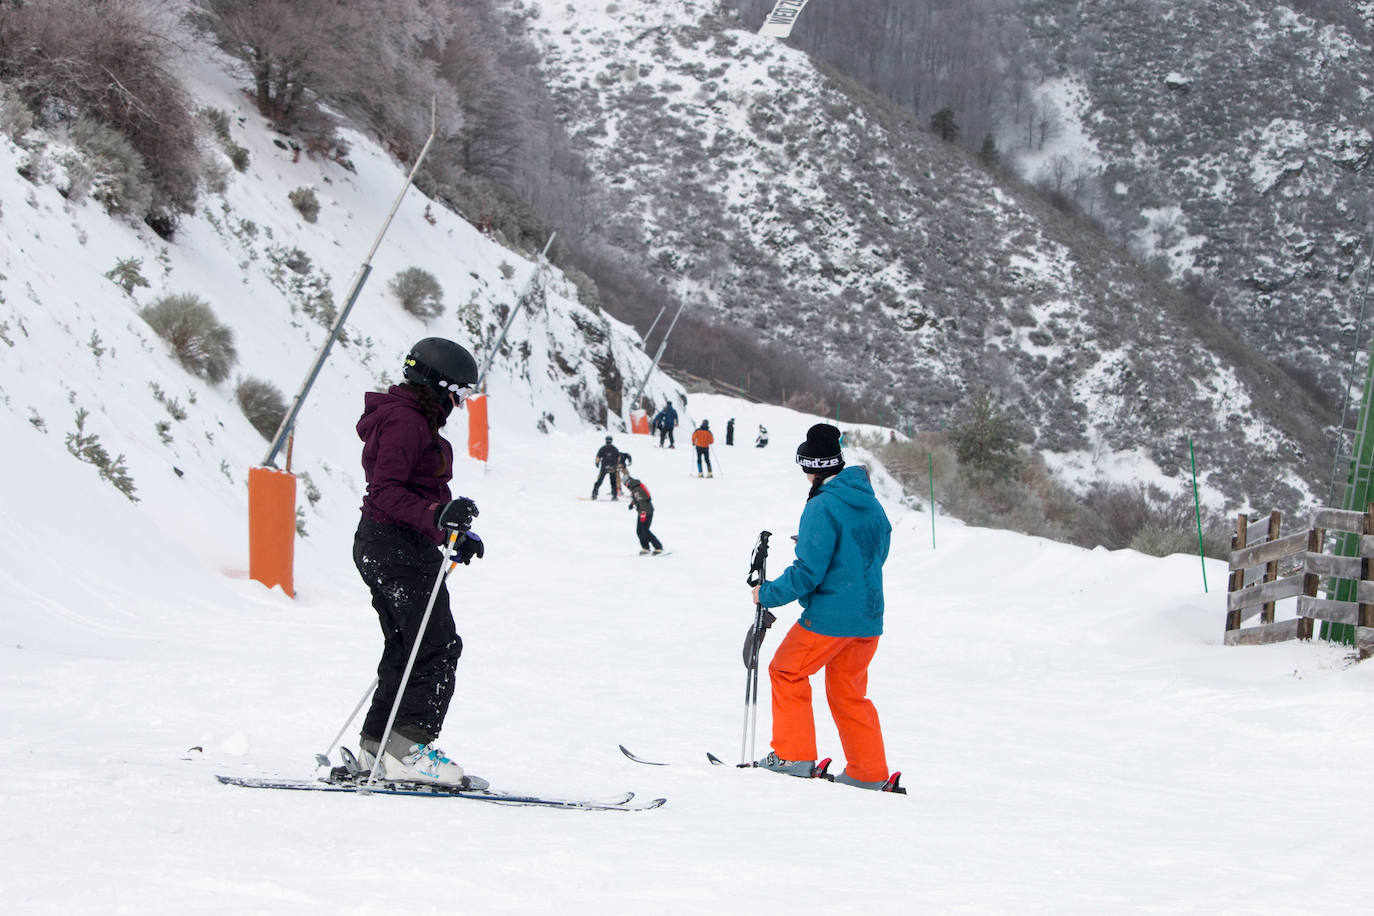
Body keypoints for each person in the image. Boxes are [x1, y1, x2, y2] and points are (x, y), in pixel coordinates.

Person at [353, 338, 487, 787]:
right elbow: (386, 491)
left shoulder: (413, 419)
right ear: (437, 383)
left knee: (406, 646)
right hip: (395, 547)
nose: (461, 401)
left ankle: (378, 746)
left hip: (392, 543)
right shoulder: (407, 422)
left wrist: (452, 531)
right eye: (460, 391)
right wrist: (435, 517)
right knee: (437, 645)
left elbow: (415, 493)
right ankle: (408, 748)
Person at [749, 423, 895, 791]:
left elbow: (808, 573)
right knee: (849, 692)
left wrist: (765, 593)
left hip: (830, 617)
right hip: (869, 616)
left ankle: (792, 755)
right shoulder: (867, 499)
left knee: (786, 671)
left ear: (811, 468)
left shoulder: (821, 506)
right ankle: (868, 772)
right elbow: (875, 548)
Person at [623, 474, 663, 555]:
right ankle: (645, 547)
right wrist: (632, 503)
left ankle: (658, 547)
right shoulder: (635, 487)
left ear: (628, 483)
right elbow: (638, 498)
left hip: (646, 511)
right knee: (639, 531)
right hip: (643, 511)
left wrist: (643, 514)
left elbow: (643, 502)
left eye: (625, 484)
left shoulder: (636, 489)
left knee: (645, 531)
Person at [591, 435, 621, 500]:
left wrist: (597, 463)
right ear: (611, 441)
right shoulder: (615, 449)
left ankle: (594, 494)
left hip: (604, 467)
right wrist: (617, 465)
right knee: (613, 481)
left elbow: (598, 457)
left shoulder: (602, 448)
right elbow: (619, 458)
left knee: (599, 480)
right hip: (613, 467)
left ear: (606, 440)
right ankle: (614, 495)